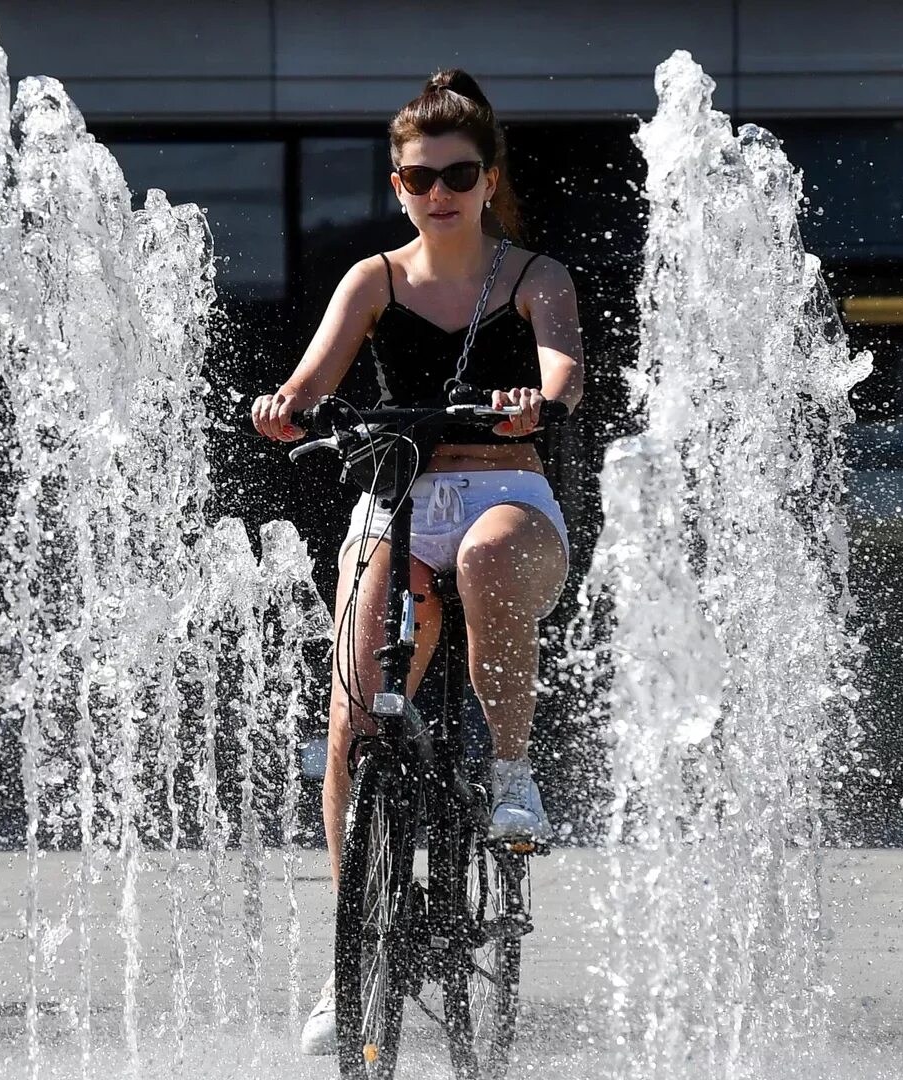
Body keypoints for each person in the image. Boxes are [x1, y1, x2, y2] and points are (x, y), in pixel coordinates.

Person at [248, 68, 584, 1056]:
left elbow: (564, 369)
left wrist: (537, 401)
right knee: (352, 715)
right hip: (396, 499)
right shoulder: (374, 280)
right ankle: (348, 954)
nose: (439, 192)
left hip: (506, 499)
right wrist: (283, 409)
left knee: (485, 560)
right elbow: (308, 382)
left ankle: (511, 775)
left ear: (489, 179)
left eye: (459, 174)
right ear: (398, 186)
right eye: (419, 177)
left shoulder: (536, 278)